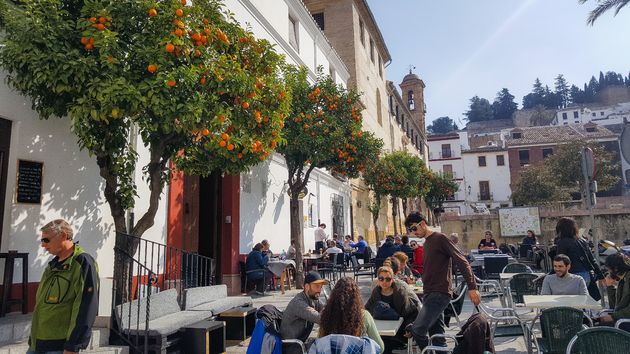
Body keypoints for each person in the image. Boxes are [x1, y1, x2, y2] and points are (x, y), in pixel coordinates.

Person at [405, 211, 480, 350]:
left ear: (423, 224)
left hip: (439, 293)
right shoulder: (427, 243)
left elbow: (462, 261)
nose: (413, 232)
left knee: (417, 331)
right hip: (429, 293)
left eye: (414, 228)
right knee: (438, 337)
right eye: (410, 230)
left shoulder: (440, 238)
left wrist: (472, 287)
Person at [28, 219, 99, 354]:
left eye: (46, 240)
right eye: (42, 241)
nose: (43, 245)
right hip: (38, 343)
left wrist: (73, 345)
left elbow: (86, 306)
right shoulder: (52, 266)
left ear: (64, 236)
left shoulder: (82, 263)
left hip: (60, 346)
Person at [318, 277, 384, 351]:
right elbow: (380, 347)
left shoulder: (327, 316)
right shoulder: (364, 316)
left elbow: (320, 343)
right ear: (356, 296)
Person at [365, 266, 420, 352]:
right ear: (378, 280)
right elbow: (366, 310)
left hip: (399, 332)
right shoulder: (376, 293)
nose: (384, 282)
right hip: (379, 331)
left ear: (392, 279)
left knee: (383, 344)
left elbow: (411, 313)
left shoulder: (400, 293)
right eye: (381, 279)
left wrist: (409, 327)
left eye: (388, 279)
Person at [280, 271, 327, 353]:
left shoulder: (313, 299)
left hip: (300, 343)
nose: (319, 290)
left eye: (320, 287)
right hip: (291, 348)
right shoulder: (299, 303)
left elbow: (327, 309)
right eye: (317, 286)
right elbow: (321, 319)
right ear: (307, 287)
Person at [555, 217, 602, 285]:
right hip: (586, 275)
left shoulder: (562, 242)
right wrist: (600, 275)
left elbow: (559, 262)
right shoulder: (582, 241)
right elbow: (592, 259)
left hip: (572, 276)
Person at [598, 253, 630, 325]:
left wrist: (613, 317)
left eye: (609, 269)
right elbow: (615, 307)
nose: (608, 272)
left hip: (625, 322)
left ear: (615, 268)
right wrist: (610, 286)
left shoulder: (627, 278)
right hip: (622, 320)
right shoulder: (623, 279)